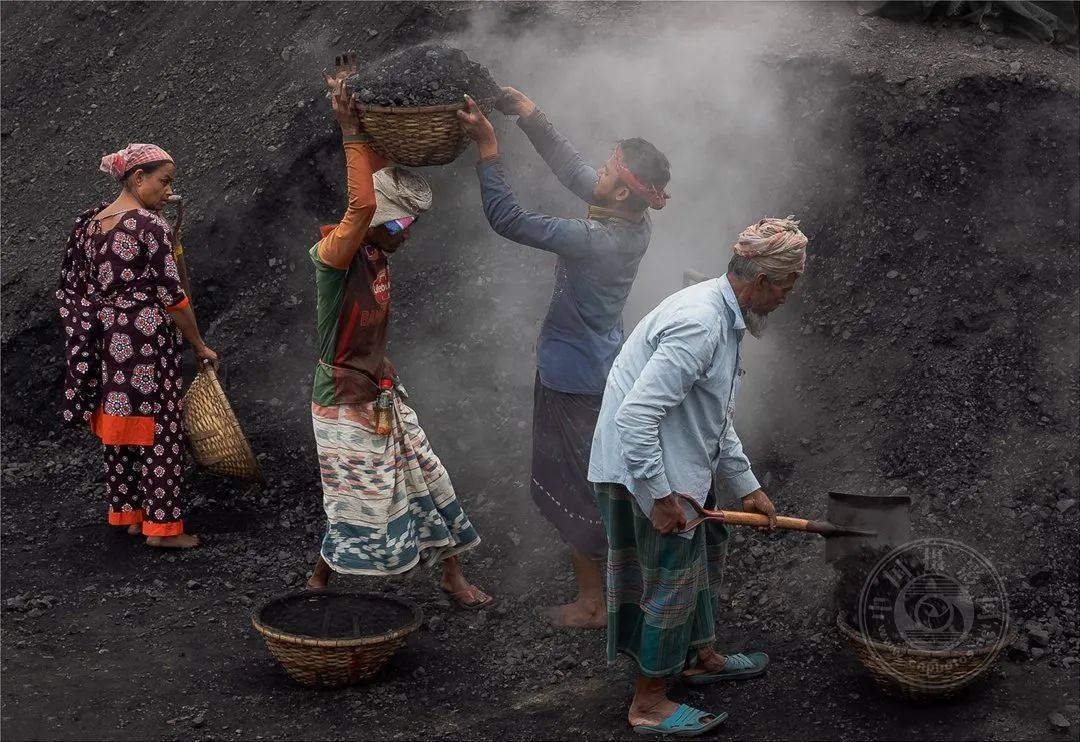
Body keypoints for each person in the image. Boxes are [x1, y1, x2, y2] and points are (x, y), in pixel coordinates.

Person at [586, 217, 808, 735]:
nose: (787, 299)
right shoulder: (701, 323)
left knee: (704, 560)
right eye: (788, 288)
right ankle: (649, 702)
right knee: (672, 582)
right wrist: (661, 496)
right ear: (761, 282)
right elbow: (636, 417)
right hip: (642, 474)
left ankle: (698, 657)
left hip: (681, 466)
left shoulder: (726, 317)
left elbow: (715, 417)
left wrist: (747, 484)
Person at [457, 91, 670, 628]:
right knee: (591, 480)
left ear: (622, 189)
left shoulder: (597, 239)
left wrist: (487, 150)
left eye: (607, 168)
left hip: (572, 379)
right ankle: (622, 584)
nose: (595, 170)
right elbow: (577, 172)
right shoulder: (628, 221)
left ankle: (595, 603)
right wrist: (529, 113)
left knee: (578, 487)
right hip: (595, 367)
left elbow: (510, 220)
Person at [305, 56, 492, 610]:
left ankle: (452, 577)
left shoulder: (377, 251)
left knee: (426, 476)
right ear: (378, 223)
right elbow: (363, 200)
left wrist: (361, 106)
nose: (406, 237)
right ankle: (318, 583)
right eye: (399, 226)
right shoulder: (335, 255)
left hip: (380, 389)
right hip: (341, 401)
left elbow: (379, 180)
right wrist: (348, 132)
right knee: (356, 500)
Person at [57, 143, 218, 549]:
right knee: (159, 428)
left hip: (107, 339)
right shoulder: (150, 226)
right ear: (137, 177)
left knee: (121, 425)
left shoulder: (90, 223)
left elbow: (74, 285)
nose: (168, 191)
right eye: (164, 182)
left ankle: (130, 515)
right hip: (145, 339)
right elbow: (173, 296)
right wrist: (198, 343)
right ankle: (163, 531)